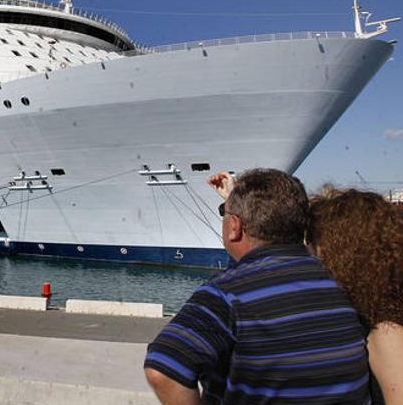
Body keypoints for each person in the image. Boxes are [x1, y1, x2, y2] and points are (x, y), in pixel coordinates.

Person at [144, 169, 370, 404]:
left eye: (225, 214)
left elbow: (163, 369)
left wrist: (235, 207)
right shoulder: (342, 282)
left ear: (234, 226)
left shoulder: (227, 293)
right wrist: (236, 203)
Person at [307, 189, 403, 405]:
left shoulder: (390, 336)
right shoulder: (396, 311)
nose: (308, 256)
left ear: (340, 254)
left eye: (312, 245)